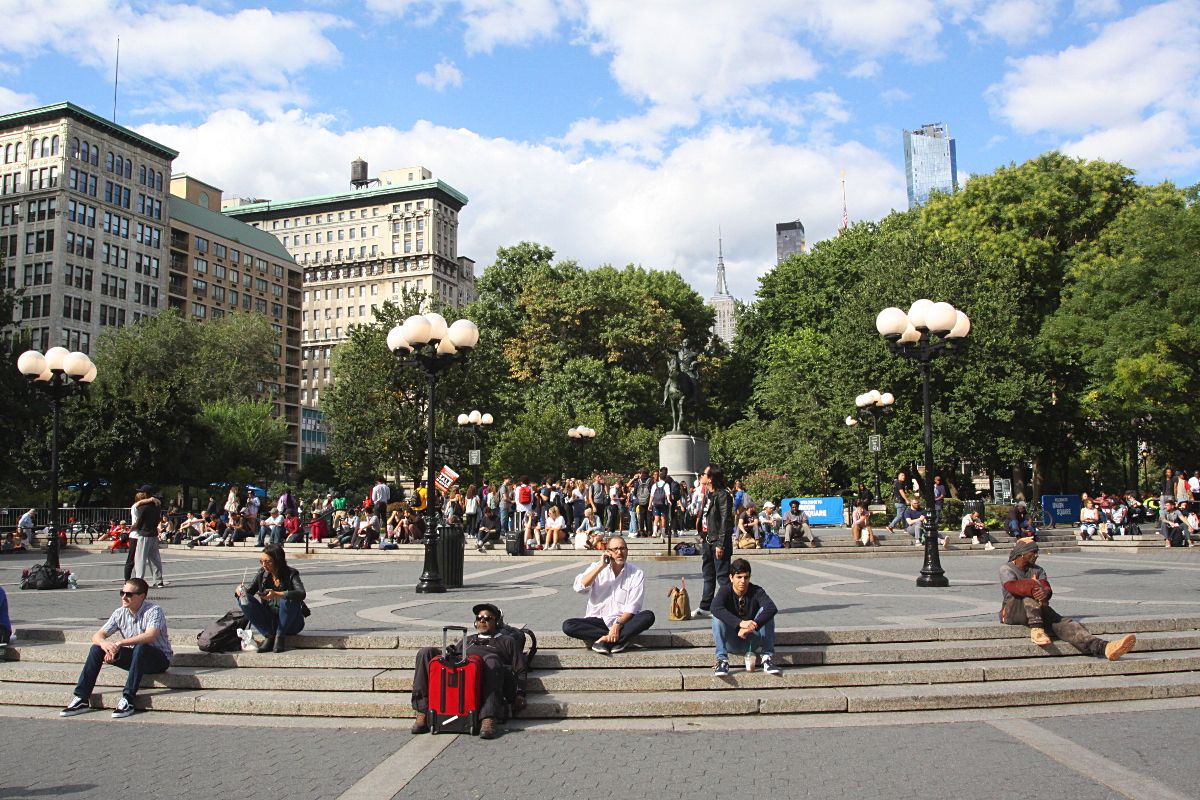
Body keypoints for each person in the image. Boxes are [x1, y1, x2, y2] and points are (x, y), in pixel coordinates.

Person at [999, 539, 1137, 659]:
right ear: (1022, 553)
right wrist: (1034, 587)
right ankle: (1036, 629)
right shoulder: (1006, 568)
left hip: (1038, 610)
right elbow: (1012, 586)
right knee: (1029, 596)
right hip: (1013, 611)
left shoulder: (1038, 570)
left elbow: (1046, 587)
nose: (1036, 555)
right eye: (1033, 552)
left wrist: (1045, 593)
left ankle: (1103, 647)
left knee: (1066, 623)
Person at [409, 603, 528, 740]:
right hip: (466, 678)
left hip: (491, 676)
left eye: (487, 618)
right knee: (425, 652)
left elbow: (520, 668)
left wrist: (520, 693)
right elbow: (455, 657)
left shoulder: (507, 641)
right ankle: (422, 710)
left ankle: (488, 717)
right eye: (479, 618)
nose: (482, 621)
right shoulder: (469, 640)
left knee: (491, 660)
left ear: (496, 622)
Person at [60, 578, 173, 719]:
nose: (124, 597)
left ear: (142, 596)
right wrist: (105, 645)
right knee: (96, 649)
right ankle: (81, 698)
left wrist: (119, 644)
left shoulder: (154, 611)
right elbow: (98, 635)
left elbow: (150, 636)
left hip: (158, 660)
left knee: (141, 647)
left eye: (129, 594)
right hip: (135, 657)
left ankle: (128, 699)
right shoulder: (120, 613)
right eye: (122, 593)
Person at [562, 536, 655, 654]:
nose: (619, 552)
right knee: (568, 625)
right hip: (598, 621)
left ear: (627, 551)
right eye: (615, 549)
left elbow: (633, 607)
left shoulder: (636, 573)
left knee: (648, 616)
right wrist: (600, 566)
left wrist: (617, 624)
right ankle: (619, 640)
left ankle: (604, 640)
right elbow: (579, 588)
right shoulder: (597, 568)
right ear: (608, 552)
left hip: (622, 621)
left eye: (623, 548)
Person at [711, 558, 782, 676]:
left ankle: (767, 658)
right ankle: (722, 660)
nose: (743, 581)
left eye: (746, 577)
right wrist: (740, 623)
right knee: (716, 618)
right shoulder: (725, 590)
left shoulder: (756, 591)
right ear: (731, 577)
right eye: (739, 577)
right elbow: (715, 608)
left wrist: (751, 626)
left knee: (766, 613)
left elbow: (771, 608)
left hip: (752, 639)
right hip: (731, 641)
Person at [235, 544, 307, 653]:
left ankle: (280, 636)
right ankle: (268, 635)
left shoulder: (291, 573)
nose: (264, 565)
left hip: (292, 623)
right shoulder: (262, 574)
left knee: (286, 598)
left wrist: (277, 594)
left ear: (278, 561)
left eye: (268, 561)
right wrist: (240, 591)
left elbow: (301, 593)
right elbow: (249, 592)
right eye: (261, 561)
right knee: (244, 599)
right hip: (271, 621)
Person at [693, 465, 733, 619]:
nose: (701, 476)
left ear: (710, 478)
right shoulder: (708, 495)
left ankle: (728, 607)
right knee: (708, 575)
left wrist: (721, 543)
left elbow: (725, 521)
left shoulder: (723, 495)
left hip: (718, 542)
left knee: (722, 577)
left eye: (703, 474)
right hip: (707, 541)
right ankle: (705, 607)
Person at [130, 487, 165, 588]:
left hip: (144, 534)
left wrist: (133, 528)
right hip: (153, 534)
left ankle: (139, 581)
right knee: (155, 559)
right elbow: (158, 519)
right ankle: (159, 581)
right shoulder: (157, 505)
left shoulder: (142, 507)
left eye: (141, 491)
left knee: (140, 559)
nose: (140, 493)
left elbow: (139, 521)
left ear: (145, 493)